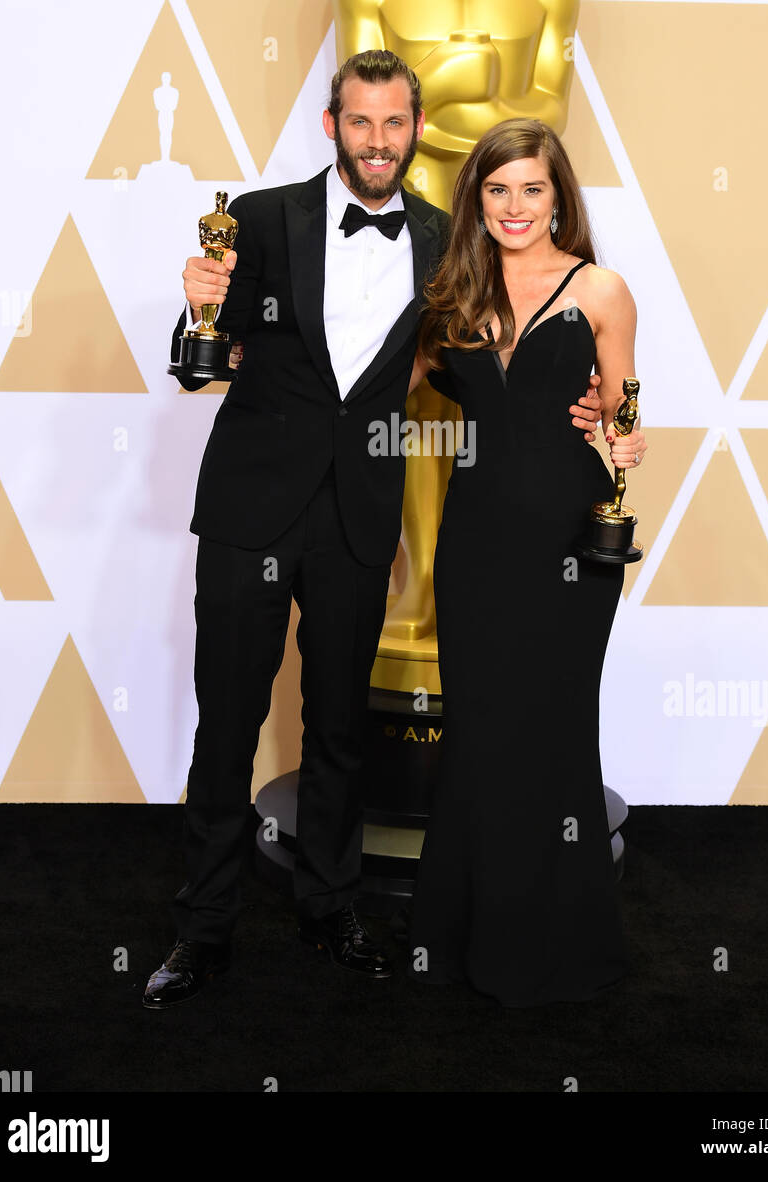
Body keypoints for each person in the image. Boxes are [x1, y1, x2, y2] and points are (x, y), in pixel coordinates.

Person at [143, 51, 605, 1008]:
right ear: (332, 126)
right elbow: (203, 364)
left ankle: (329, 911)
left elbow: (499, 355)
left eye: (396, 124)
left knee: (341, 729)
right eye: (362, 123)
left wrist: (597, 411)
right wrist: (199, 314)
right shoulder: (262, 218)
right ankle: (203, 931)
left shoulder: (448, 242)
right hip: (248, 507)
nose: (380, 142)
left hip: (360, 513)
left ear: (417, 124)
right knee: (227, 724)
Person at [407, 116, 647, 1007]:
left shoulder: (603, 291)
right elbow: (386, 382)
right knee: (478, 729)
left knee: (551, 731)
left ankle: (559, 944)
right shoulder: (451, 297)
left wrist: (623, 440)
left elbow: (623, 409)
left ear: (559, 197)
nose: (514, 206)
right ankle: (463, 937)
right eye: (497, 189)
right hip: (473, 543)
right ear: (478, 197)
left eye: (531, 189)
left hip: (571, 542)